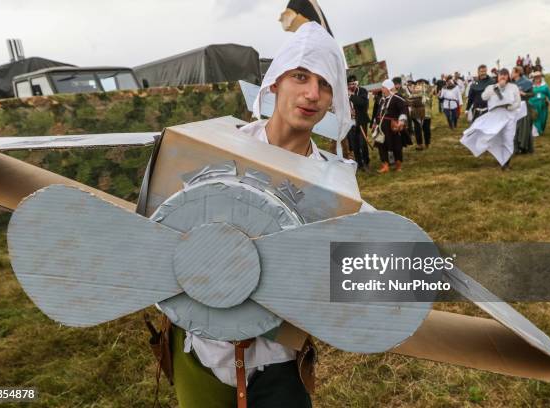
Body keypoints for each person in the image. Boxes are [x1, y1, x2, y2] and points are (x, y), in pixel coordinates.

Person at [168, 21, 352, 408]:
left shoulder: (334, 186)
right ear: (276, 83)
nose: (311, 94)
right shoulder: (218, 148)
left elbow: (331, 280)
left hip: (279, 361)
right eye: (300, 76)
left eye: (324, 84)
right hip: (204, 348)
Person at [461, 68, 522, 170]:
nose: (503, 76)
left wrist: (510, 107)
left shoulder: (513, 87)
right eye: (501, 74)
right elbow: (484, 97)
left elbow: (517, 102)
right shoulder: (491, 87)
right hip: (495, 116)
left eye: (505, 74)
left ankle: (506, 163)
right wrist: (496, 88)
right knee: (494, 137)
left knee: (508, 139)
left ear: (508, 76)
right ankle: (499, 158)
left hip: (509, 115)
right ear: (497, 77)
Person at [371, 79, 408, 173]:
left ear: (388, 88)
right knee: (381, 146)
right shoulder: (382, 100)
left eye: (383, 87)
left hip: (392, 127)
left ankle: (398, 166)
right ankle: (385, 165)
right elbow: (378, 113)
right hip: (381, 127)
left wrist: (401, 121)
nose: (382, 89)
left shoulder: (397, 99)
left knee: (396, 146)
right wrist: (375, 123)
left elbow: (404, 110)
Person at [347, 74, 370, 170]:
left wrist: (351, 96)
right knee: (354, 144)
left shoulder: (362, 91)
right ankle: (359, 164)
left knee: (362, 143)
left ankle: (366, 161)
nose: (352, 86)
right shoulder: (344, 94)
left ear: (356, 83)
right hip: (350, 122)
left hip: (361, 120)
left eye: (353, 83)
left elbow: (363, 103)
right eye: (349, 84)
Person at [512, 66, 535, 153]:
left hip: (524, 108)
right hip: (515, 108)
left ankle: (524, 147)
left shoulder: (526, 82)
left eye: (513, 72)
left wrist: (524, 93)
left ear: (517, 73)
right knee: (515, 128)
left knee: (524, 128)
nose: (511, 74)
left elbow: (532, 94)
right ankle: (516, 148)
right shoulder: (512, 84)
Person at [528, 71, 550, 136]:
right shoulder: (531, 86)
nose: (537, 78)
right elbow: (527, 94)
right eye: (536, 77)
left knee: (543, 118)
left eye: (539, 76)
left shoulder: (545, 86)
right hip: (533, 104)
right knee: (535, 117)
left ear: (541, 77)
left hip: (543, 104)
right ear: (534, 78)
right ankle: (537, 131)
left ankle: (541, 129)